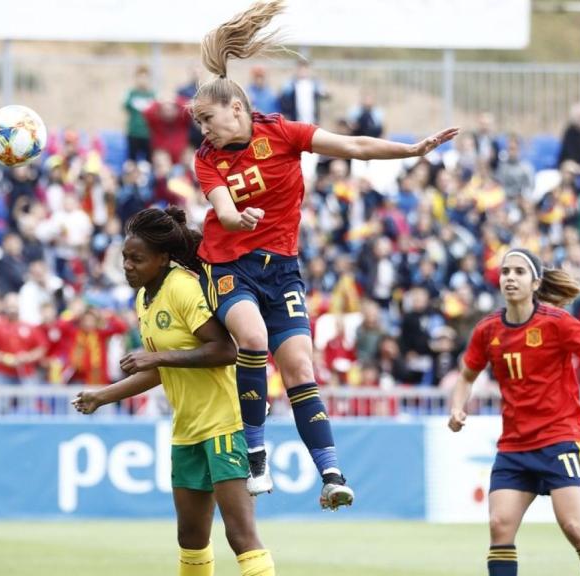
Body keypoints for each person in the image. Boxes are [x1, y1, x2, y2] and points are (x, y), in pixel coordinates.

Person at [189, 0, 458, 506]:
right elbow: (223, 211)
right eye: (199, 122)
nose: (204, 130)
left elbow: (353, 146)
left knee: (300, 369)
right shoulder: (207, 160)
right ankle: (255, 452)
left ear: (237, 108)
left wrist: (411, 150)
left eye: (208, 119)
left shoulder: (283, 134)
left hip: (281, 270)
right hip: (229, 267)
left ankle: (332, 475)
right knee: (252, 336)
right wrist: (237, 218)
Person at [73, 206, 275, 576]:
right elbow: (163, 368)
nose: (128, 266)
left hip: (226, 424)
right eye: (125, 258)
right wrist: (104, 395)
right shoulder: (143, 299)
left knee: (240, 534)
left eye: (137, 259)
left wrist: (157, 357)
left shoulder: (182, 286)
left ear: (163, 258)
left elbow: (225, 350)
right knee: (191, 537)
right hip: (187, 430)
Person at [449, 249, 580, 576]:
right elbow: (465, 376)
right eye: (505, 272)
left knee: (575, 526)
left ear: (535, 283)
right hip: (514, 447)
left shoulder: (557, 322)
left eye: (519, 272)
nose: (510, 278)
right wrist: (457, 407)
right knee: (499, 525)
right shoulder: (488, 330)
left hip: (560, 439)